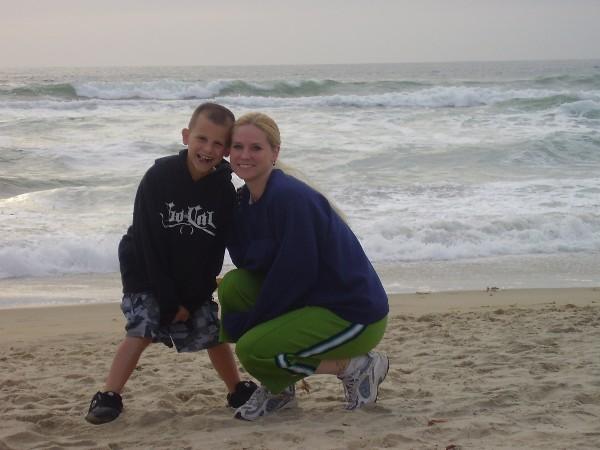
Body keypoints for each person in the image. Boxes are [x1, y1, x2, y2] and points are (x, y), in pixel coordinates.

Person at [85, 103, 256, 425]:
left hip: (190, 277)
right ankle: (109, 394)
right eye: (202, 139)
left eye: (218, 143)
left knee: (211, 329)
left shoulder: (223, 191)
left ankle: (236, 388)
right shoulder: (159, 177)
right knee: (143, 326)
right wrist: (167, 300)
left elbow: (213, 252)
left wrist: (191, 300)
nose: (208, 149)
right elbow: (147, 242)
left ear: (227, 149)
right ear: (186, 136)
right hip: (145, 269)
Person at [218, 112, 389, 421]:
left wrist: (251, 324)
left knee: (253, 350)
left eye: (256, 148)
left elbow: (295, 275)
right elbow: (248, 262)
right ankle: (280, 390)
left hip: (353, 313)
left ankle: (356, 366)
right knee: (233, 285)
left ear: (275, 152)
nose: (244, 155)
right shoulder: (246, 200)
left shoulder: (290, 197)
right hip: (312, 299)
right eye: (237, 147)